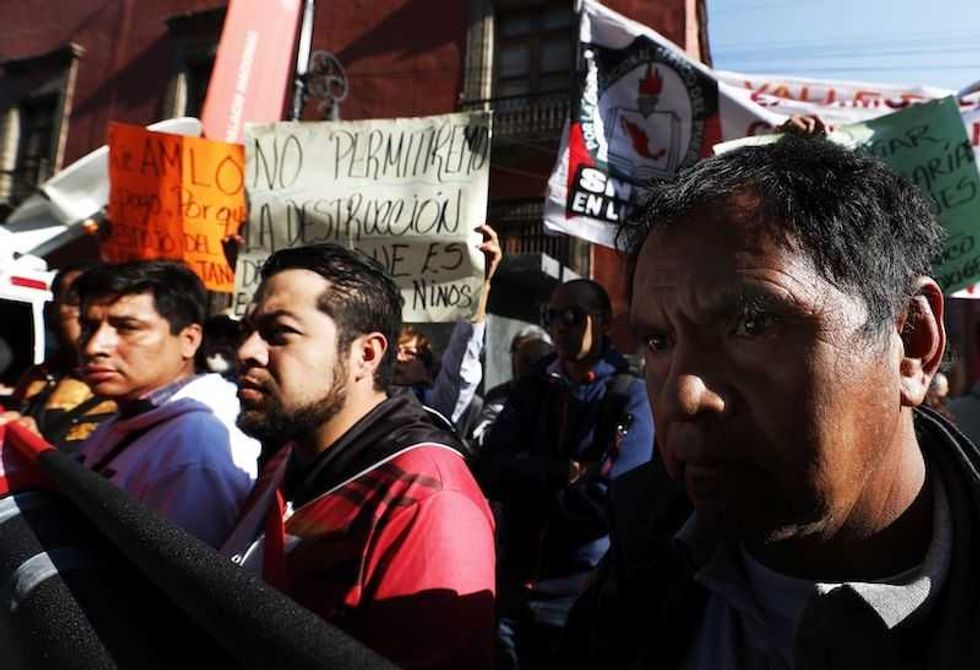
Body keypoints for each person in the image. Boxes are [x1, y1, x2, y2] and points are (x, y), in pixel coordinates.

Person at [564, 136, 976, 669]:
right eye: (658, 342)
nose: (685, 395)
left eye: (753, 325)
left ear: (913, 343)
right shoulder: (631, 578)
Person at [224, 243, 496, 670]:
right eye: (247, 332)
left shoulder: (428, 502)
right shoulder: (288, 458)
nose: (246, 353)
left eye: (279, 333)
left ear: (365, 355)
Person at [477, 278, 654, 668]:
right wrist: (562, 471)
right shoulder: (530, 389)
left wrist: (525, 484)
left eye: (573, 317)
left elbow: (608, 502)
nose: (559, 326)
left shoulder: (631, 396)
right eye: (551, 316)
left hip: (577, 597)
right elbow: (489, 468)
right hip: (509, 589)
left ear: (604, 322)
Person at [73, 260, 260, 548]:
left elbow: (182, 584)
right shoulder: (134, 416)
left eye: (127, 328)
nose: (93, 346)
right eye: (89, 326)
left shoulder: (195, 454)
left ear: (189, 339)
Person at [393, 223, 503, 429]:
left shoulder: (434, 407)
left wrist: (481, 284)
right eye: (394, 351)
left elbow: (461, 362)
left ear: (428, 369)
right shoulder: (366, 402)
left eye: (409, 353)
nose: (398, 358)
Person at [6, 262, 116, 453]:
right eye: (77, 303)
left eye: (102, 302)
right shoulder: (38, 375)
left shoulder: (128, 388)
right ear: (53, 312)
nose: (90, 315)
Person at [469, 326, 553, 451]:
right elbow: (481, 441)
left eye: (538, 360)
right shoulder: (498, 396)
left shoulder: (559, 397)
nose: (531, 367)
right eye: (525, 360)